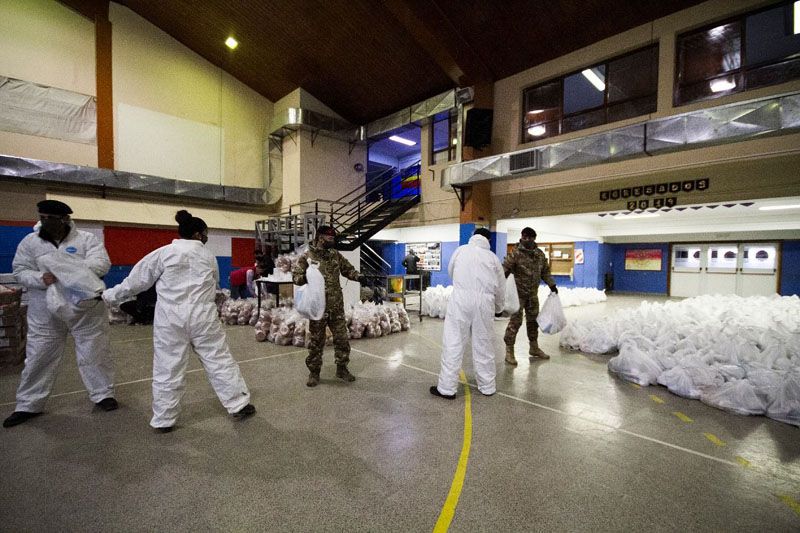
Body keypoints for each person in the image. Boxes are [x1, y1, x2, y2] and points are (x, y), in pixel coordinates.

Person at [102, 210, 254, 432]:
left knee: (168, 366)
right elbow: (215, 284)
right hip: (204, 317)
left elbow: (135, 282)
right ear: (197, 234)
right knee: (219, 360)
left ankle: (164, 419)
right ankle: (239, 404)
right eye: (205, 233)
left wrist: (108, 295)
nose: (206, 237)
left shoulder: (163, 254)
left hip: (171, 319)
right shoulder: (208, 256)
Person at [4, 200, 117, 428]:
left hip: (84, 308)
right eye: (42, 217)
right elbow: (20, 271)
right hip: (45, 309)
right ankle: (28, 404)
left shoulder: (86, 240)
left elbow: (102, 264)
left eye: (50, 218)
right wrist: (40, 278)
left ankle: (103, 394)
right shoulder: (31, 242)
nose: (45, 222)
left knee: (94, 352)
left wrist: (65, 269)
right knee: (39, 355)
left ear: (65, 219)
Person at [430, 228, 505, 399]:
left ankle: (447, 388)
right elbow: (501, 288)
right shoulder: (493, 259)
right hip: (485, 304)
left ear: (473, 236)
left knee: (454, 342)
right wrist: (499, 308)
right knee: (483, 344)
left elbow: (451, 271)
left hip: (461, 300)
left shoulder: (461, 251)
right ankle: (487, 387)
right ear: (488, 241)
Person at [292, 225, 366, 387]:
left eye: (333, 238)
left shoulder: (335, 255)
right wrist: (309, 276)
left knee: (342, 339)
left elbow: (348, 270)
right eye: (329, 238)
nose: (332, 241)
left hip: (336, 306)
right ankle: (314, 372)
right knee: (316, 342)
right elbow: (296, 277)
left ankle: (342, 368)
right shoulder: (307, 257)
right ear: (320, 238)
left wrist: (360, 277)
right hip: (317, 308)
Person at [503, 227, 558, 365]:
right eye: (524, 237)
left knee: (533, 322)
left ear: (534, 238)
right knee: (515, 323)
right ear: (521, 237)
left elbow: (545, 271)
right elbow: (504, 271)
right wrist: (498, 287)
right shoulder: (515, 254)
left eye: (530, 237)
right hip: (518, 295)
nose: (526, 240)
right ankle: (509, 351)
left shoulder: (539, 254)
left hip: (533, 295)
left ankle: (534, 348)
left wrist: (552, 285)